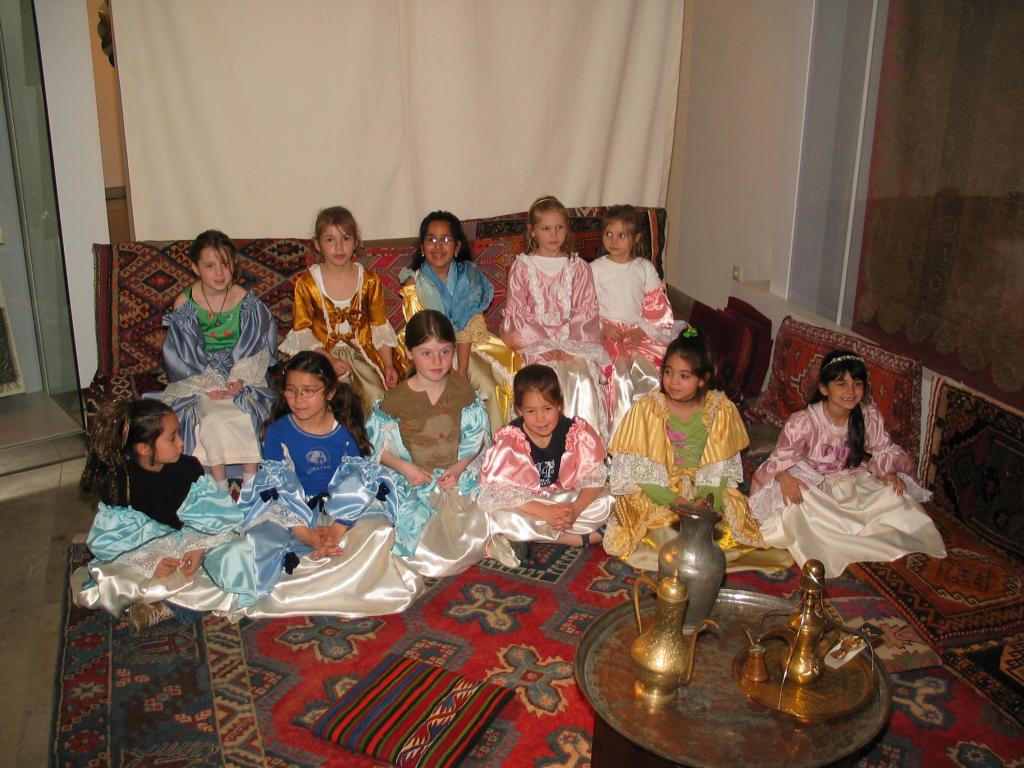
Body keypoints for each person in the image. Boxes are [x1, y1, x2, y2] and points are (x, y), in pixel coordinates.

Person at [234, 351, 418, 616]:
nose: (298, 400)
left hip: (339, 506)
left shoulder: (344, 429)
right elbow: (276, 487)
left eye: (309, 391)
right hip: (294, 509)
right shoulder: (277, 432)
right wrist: (305, 533)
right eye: (291, 391)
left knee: (378, 530)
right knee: (256, 540)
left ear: (329, 392)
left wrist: (338, 528)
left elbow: (357, 482)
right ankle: (311, 581)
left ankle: (350, 588)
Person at [748, 350, 946, 577]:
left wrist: (887, 473)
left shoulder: (867, 417)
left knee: (894, 496)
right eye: (841, 384)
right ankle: (829, 541)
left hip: (851, 478)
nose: (850, 391)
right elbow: (779, 459)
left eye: (857, 384)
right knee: (799, 505)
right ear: (824, 388)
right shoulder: (805, 422)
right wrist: (785, 478)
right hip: (812, 481)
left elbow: (882, 449)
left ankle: (873, 535)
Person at [73, 399, 257, 631]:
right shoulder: (121, 482)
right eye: (172, 438)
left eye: (179, 434)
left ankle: (168, 606)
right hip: (144, 546)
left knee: (237, 553)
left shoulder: (189, 468)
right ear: (143, 448)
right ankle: (165, 604)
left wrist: (198, 547)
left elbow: (213, 517)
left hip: (189, 538)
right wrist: (151, 561)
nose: (181, 443)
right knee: (112, 577)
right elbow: (115, 539)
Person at [603, 331, 767, 572]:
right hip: (661, 488)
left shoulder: (719, 410)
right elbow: (643, 469)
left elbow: (718, 466)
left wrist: (706, 499)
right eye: (668, 372)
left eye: (684, 376)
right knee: (662, 534)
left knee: (724, 533)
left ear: (703, 380)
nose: (673, 382)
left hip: (703, 486)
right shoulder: (649, 409)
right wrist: (674, 500)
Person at [367, 309, 492, 577]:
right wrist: (405, 469)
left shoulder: (462, 390)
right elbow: (378, 448)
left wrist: (460, 467)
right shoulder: (396, 399)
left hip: (456, 477)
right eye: (426, 353)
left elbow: (478, 437)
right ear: (409, 352)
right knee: (413, 532)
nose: (437, 361)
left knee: (487, 512)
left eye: (445, 352)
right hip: (415, 481)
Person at [157, 229, 277, 488]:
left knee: (244, 411)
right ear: (195, 267)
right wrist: (210, 382)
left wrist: (238, 379)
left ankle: (251, 482)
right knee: (211, 414)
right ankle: (219, 486)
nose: (220, 272)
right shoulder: (185, 303)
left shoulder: (246, 301)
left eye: (225, 264)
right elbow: (184, 353)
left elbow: (254, 346)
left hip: (239, 368)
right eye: (210, 265)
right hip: (199, 372)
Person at [477, 364, 612, 568]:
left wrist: (574, 510)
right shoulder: (512, 439)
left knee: (606, 500)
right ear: (519, 410)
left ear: (559, 405)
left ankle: (528, 537)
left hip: (561, 498)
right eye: (531, 411)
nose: (540, 419)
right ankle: (576, 538)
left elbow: (593, 477)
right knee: (497, 513)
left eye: (547, 409)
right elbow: (503, 490)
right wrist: (545, 513)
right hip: (530, 503)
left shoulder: (573, 432)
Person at [500, 195, 610, 438]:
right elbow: (518, 314)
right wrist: (544, 346)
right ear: (533, 231)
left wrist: (572, 348)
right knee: (540, 383)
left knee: (580, 378)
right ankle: (541, 446)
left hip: (573, 342)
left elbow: (585, 310)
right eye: (546, 228)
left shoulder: (579, 267)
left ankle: (581, 447)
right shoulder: (522, 267)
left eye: (559, 227)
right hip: (535, 344)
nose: (553, 234)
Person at [400, 210, 519, 431]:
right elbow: (421, 330)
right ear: (422, 248)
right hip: (431, 350)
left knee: (490, 386)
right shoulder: (413, 282)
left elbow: (468, 325)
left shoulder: (470, 276)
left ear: (456, 248)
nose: (438, 245)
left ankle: (500, 450)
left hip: (470, 346)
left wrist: (462, 370)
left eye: (446, 239)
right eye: (431, 239)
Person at [280, 206, 400, 412]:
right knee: (325, 401)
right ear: (318, 244)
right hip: (320, 356)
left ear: (356, 242)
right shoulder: (307, 283)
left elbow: (379, 326)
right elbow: (302, 331)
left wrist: (388, 366)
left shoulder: (369, 281)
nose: (338, 247)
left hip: (361, 355)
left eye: (345, 238)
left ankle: (373, 442)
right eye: (330, 240)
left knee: (377, 400)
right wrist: (330, 360)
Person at [589, 205, 677, 435]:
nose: (614, 241)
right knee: (619, 373)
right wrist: (603, 327)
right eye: (609, 234)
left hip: (638, 334)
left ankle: (647, 431)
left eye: (621, 235)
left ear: (636, 238)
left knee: (650, 372)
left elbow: (657, 305)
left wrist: (644, 330)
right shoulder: (595, 269)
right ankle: (620, 434)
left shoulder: (644, 268)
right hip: (606, 333)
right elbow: (585, 305)